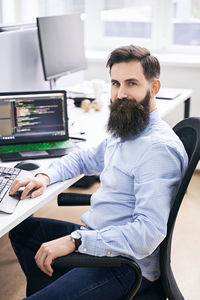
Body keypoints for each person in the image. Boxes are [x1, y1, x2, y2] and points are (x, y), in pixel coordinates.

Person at [9, 45, 188, 300]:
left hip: (124, 264)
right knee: (23, 230)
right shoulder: (129, 129)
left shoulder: (157, 150)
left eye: (132, 83)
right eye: (115, 83)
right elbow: (84, 158)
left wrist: (76, 241)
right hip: (98, 239)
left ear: (154, 88)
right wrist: (44, 177)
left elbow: (147, 234)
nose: (121, 93)